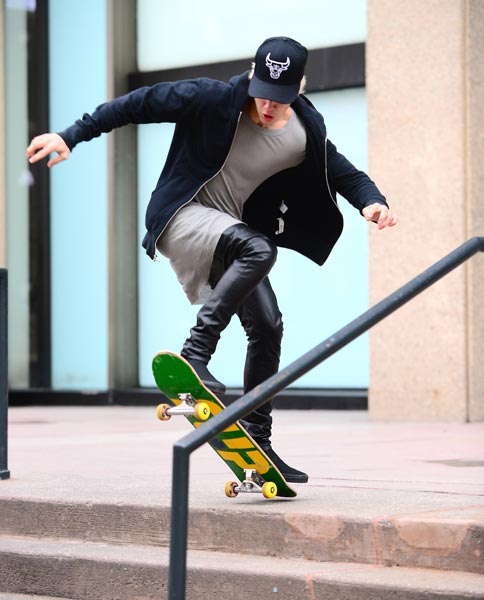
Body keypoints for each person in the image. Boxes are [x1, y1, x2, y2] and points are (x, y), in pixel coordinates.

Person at [26, 36, 398, 484]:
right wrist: (71, 135)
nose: (267, 106)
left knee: (268, 326)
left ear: (300, 87)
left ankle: (259, 441)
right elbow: (137, 104)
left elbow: (342, 172)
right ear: (252, 76)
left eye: (279, 98)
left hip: (229, 235)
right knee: (260, 249)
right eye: (262, 93)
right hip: (181, 216)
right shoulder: (211, 98)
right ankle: (195, 353)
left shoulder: (305, 132)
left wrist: (372, 201)